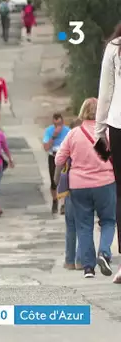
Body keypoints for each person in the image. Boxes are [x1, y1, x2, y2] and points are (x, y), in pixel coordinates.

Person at [55, 98, 116, 279]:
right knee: (108, 221)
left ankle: (88, 268)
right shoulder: (107, 133)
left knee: (84, 226)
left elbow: (59, 159)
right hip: (105, 183)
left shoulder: (74, 133)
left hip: (79, 186)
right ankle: (103, 253)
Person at [95, 23, 121, 283]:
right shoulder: (114, 48)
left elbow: (106, 92)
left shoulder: (115, 48)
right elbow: (106, 92)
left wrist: (99, 132)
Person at [54, 118, 82, 271]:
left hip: (71, 187)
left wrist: (58, 182)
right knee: (85, 225)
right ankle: (81, 260)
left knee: (71, 225)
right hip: (87, 185)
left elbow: (59, 163)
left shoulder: (69, 142)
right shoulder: (90, 140)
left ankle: (70, 260)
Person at [42, 112, 71, 214]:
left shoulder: (68, 131)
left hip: (65, 158)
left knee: (64, 180)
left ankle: (64, 204)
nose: (57, 127)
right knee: (54, 182)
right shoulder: (49, 131)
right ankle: (55, 200)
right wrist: (53, 136)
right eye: (55, 124)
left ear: (62, 122)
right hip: (53, 157)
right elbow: (45, 147)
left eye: (59, 124)